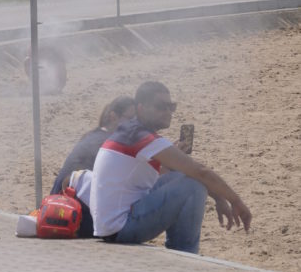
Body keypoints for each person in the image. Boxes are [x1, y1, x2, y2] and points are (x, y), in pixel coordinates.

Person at [90, 80, 252, 254]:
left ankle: (182, 251)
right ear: (141, 108)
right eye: (161, 106)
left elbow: (180, 172)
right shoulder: (138, 135)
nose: (168, 112)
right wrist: (236, 201)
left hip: (111, 225)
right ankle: (185, 253)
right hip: (121, 227)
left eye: (171, 107)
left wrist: (219, 198)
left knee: (185, 178)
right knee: (192, 186)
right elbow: (200, 171)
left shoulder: (131, 132)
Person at [50, 95, 136, 195]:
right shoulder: (108, 144)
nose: (134, 124)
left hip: (62, 200)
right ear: (113, 117)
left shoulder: (95, 135)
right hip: (70, 205)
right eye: (130, 119)